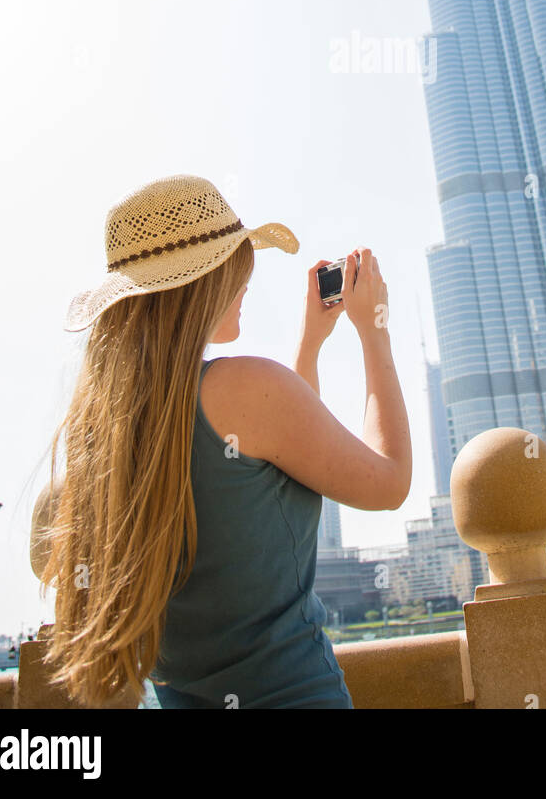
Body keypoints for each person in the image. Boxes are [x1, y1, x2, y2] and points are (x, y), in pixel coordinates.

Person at [30, 174, 411, 709]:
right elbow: (389, 480)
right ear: (205, 278)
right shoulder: (244, 387)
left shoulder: (111, 428)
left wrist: (309, 342)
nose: (247, 276)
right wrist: (374, 332)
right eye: (236, 259)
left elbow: (276, 459)